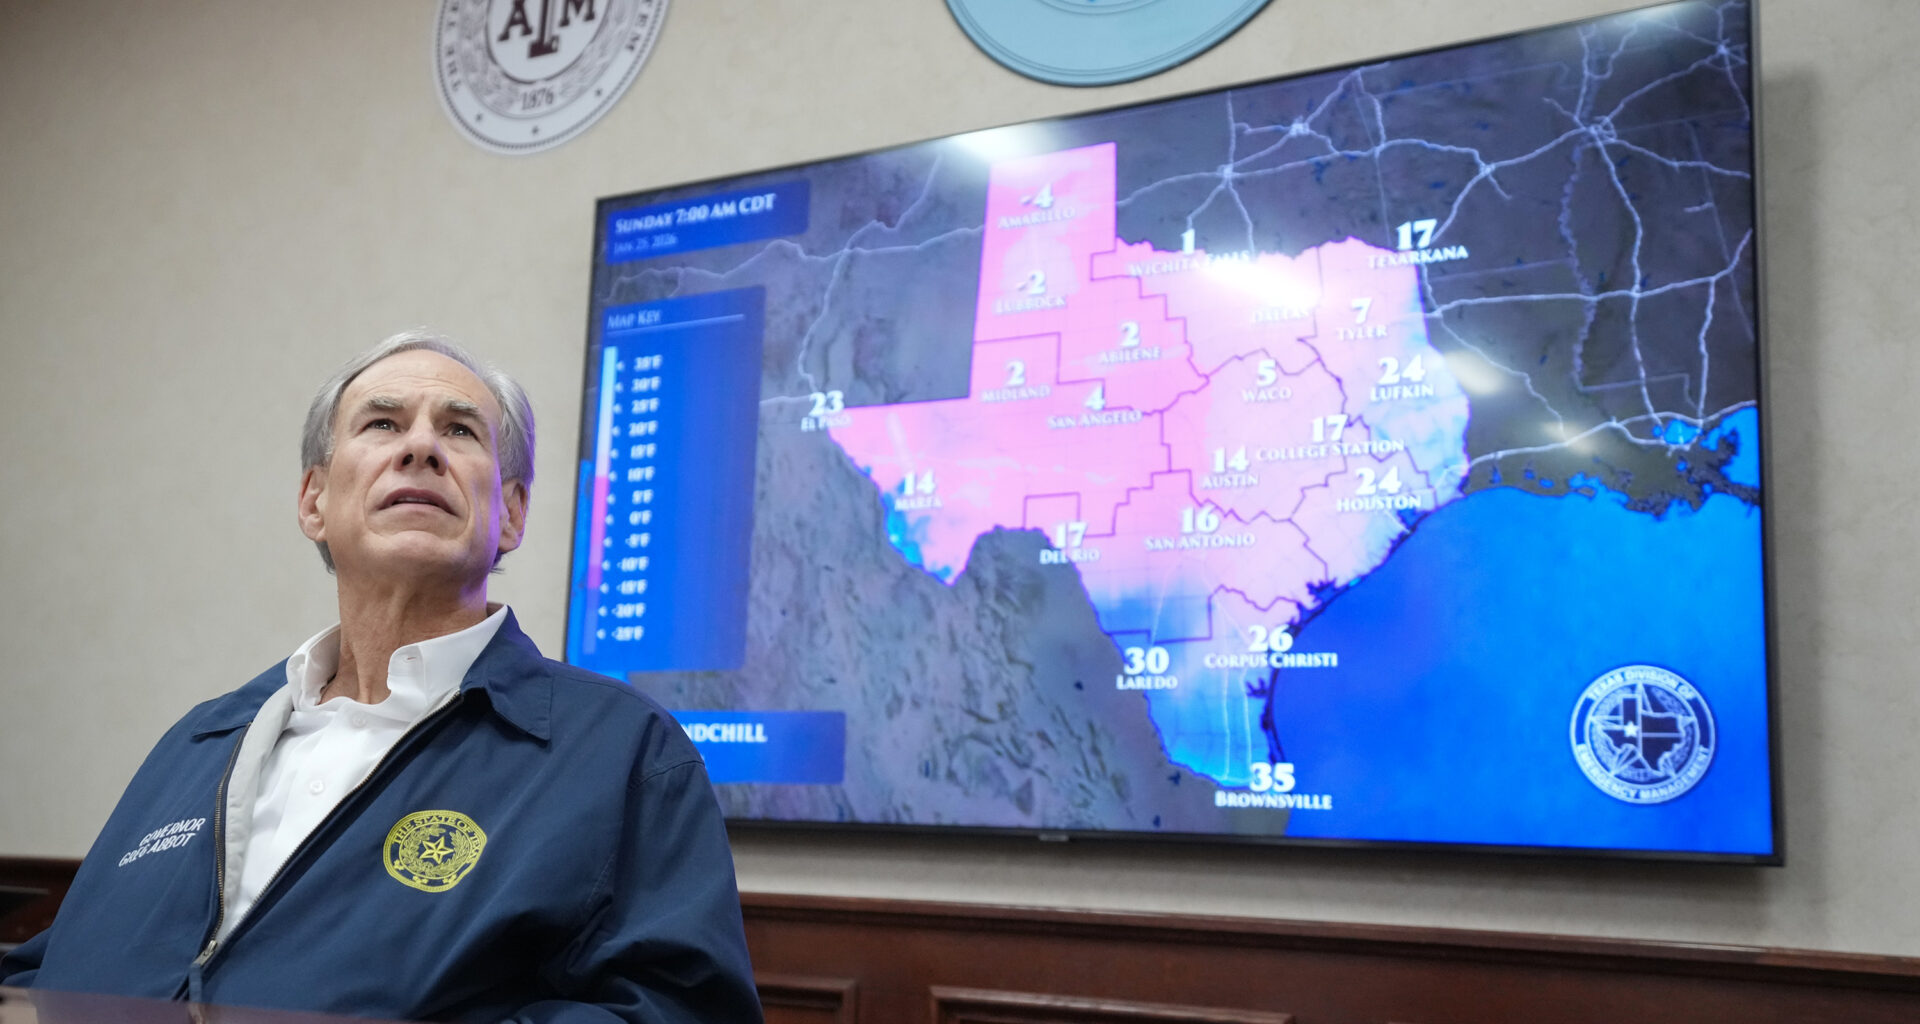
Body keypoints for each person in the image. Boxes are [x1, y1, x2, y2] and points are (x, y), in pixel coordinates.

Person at [0, 332, 764, 1023]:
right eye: (382, 424)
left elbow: (675, 1014)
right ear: (313, 501)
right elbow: (65, 965)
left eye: (459, 431)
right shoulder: (198, 740)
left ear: (512, 515)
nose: (421, 448)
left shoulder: (621, 752)